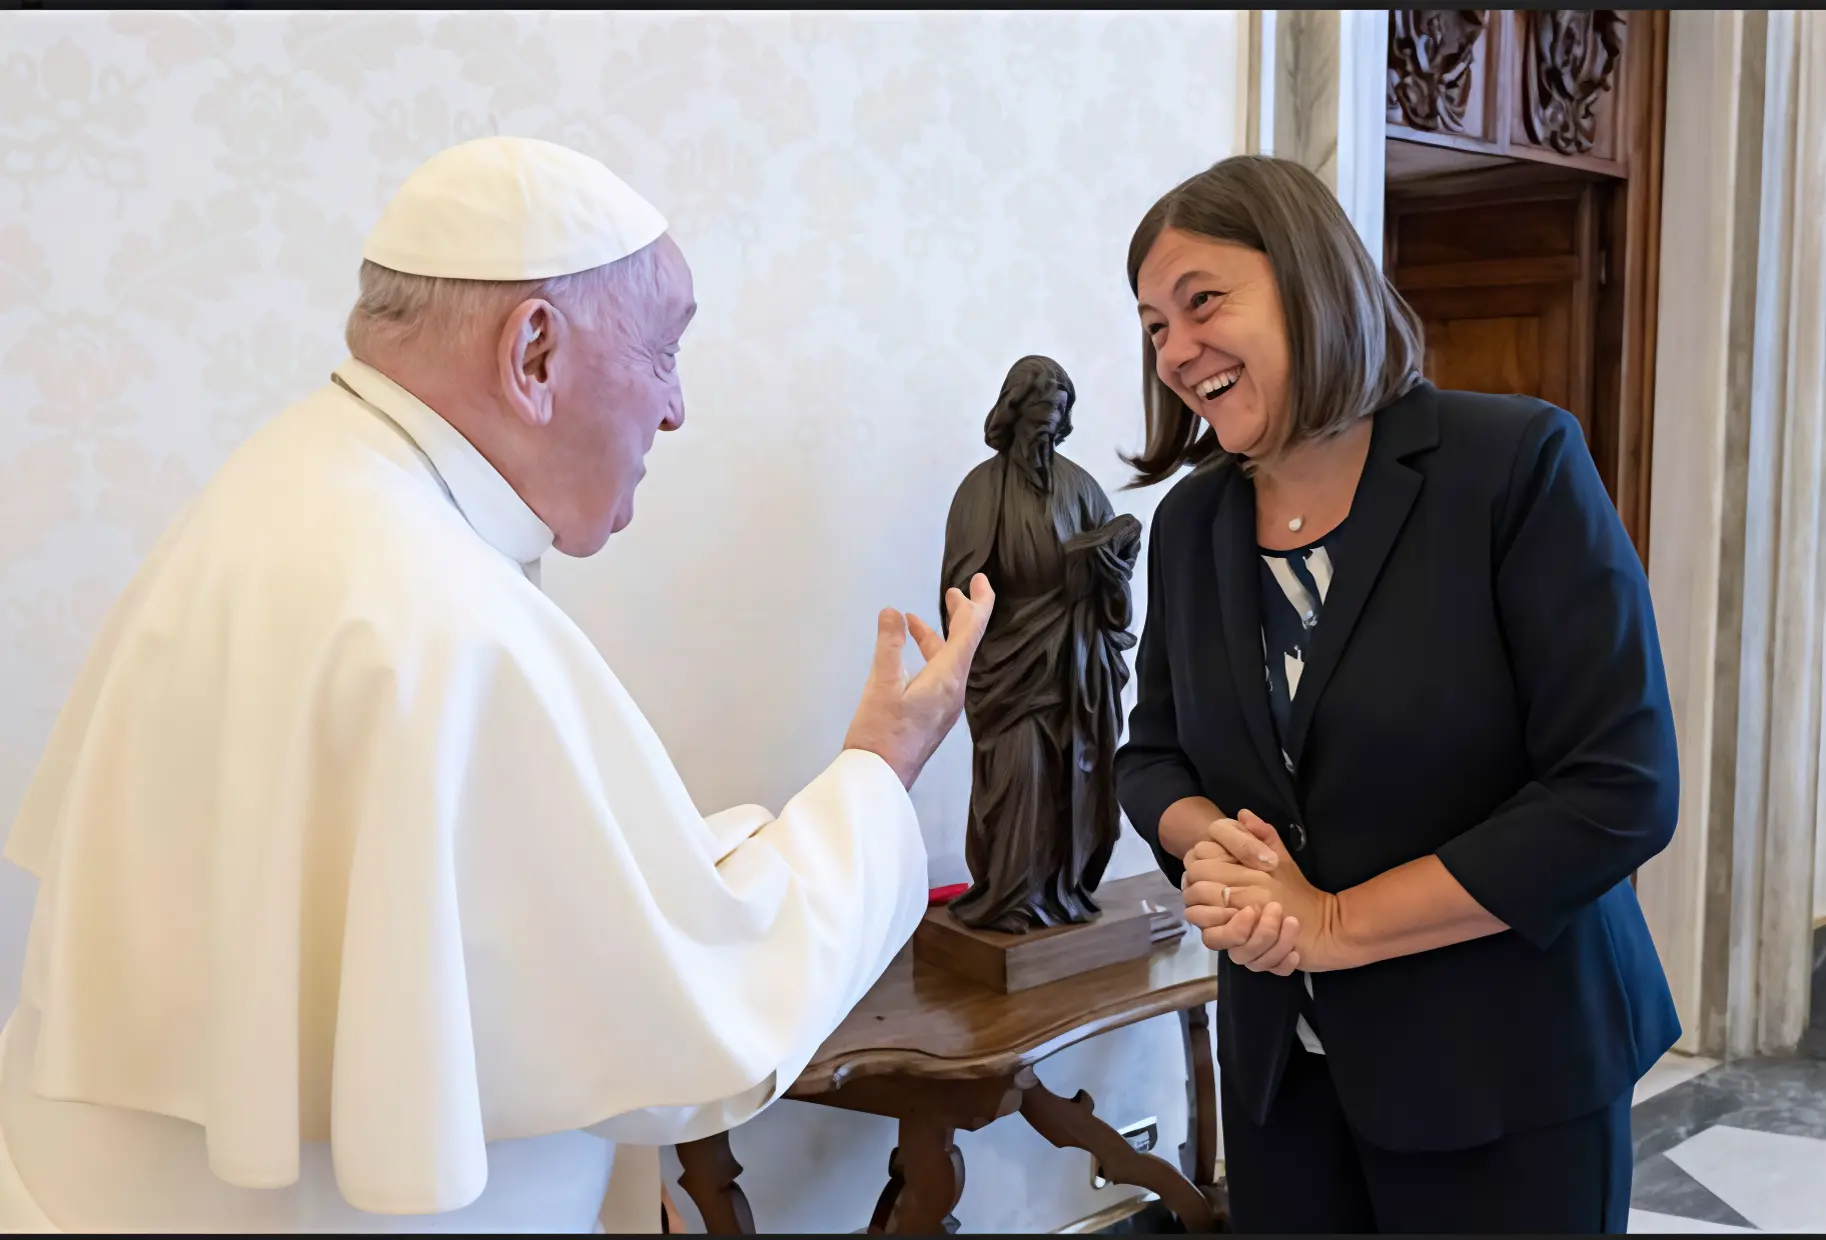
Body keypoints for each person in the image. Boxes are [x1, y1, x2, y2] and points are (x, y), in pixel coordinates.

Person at [0, 136, 994, 1233]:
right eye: (664, 354)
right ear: (532, 353)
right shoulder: (434, 611)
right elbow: (692, 1010)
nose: (675, 412)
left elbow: (503, 917)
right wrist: (879, 768)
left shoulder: (291, 488)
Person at [1113, 155, 1679, 1234]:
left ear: (1310, 280)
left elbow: (1617, 789)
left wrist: (1331, 920)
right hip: (1285, 1078)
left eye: (1202, 303)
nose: (1175, 352)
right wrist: (1213, 850)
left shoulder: (1512, 465)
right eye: (1151, 327)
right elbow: (1153, 756)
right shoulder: (1189, 525)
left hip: (1507, 1071)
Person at [938, 356, 1142, 932]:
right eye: (1036, 415)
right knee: (1020, 774)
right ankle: (1010, 896)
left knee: (1074, 784)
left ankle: (1065, 891)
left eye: (1057, 416)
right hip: (1012, 663)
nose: (1046, 429)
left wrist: (1110, 563)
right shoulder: (982, 490)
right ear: (1012, 411)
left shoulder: (1081, 486)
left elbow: (1116, 595)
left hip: (1076, 663)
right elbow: (961, 591)